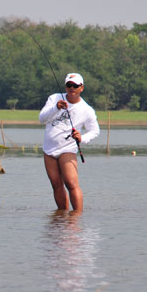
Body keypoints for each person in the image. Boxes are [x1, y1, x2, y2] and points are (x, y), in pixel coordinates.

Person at [39, 73, 100, 212]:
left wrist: (82, 138)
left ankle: (77, 216)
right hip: (49, 149)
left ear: (81, 88)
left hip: (67, 148)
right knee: (56, 184)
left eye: (75, 86)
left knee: (71, 183)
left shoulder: (87, 109)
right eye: (69, 85)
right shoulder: (54, 98)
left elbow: (95, 130)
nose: (72, 88)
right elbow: (41, 119)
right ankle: (62, 216)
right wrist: (56, 108)